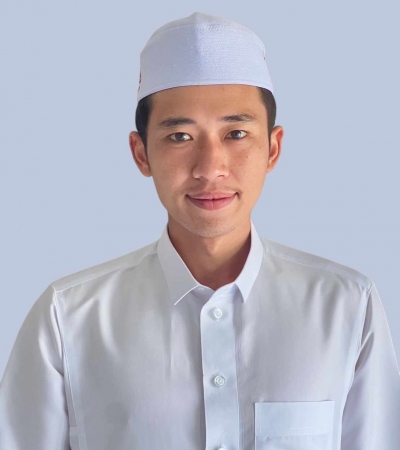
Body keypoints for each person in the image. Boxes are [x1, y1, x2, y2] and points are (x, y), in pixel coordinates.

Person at [0, 11, 399, 450]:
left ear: (273, 148)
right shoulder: (68, 317)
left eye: (236, 133)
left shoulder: (347, 306)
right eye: (179, 137)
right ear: (141, 153)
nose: (210, 168)